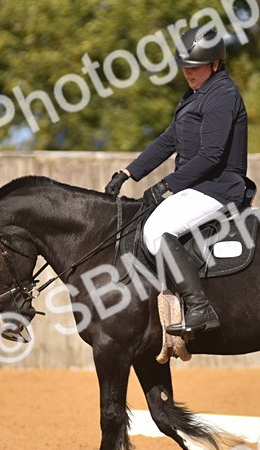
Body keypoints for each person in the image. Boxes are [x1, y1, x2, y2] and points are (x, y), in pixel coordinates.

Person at [104, 25, 249, 335]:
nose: (188, 72)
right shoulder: (195, 95)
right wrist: (130, 172)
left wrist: (167, 185)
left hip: (218, 188)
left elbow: (211, 156)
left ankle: (199, 306)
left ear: (215, 64)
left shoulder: (222, 96)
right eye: (184, 66)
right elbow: (170, 139)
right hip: (199, 187)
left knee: (156, 230)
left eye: (194, 66)